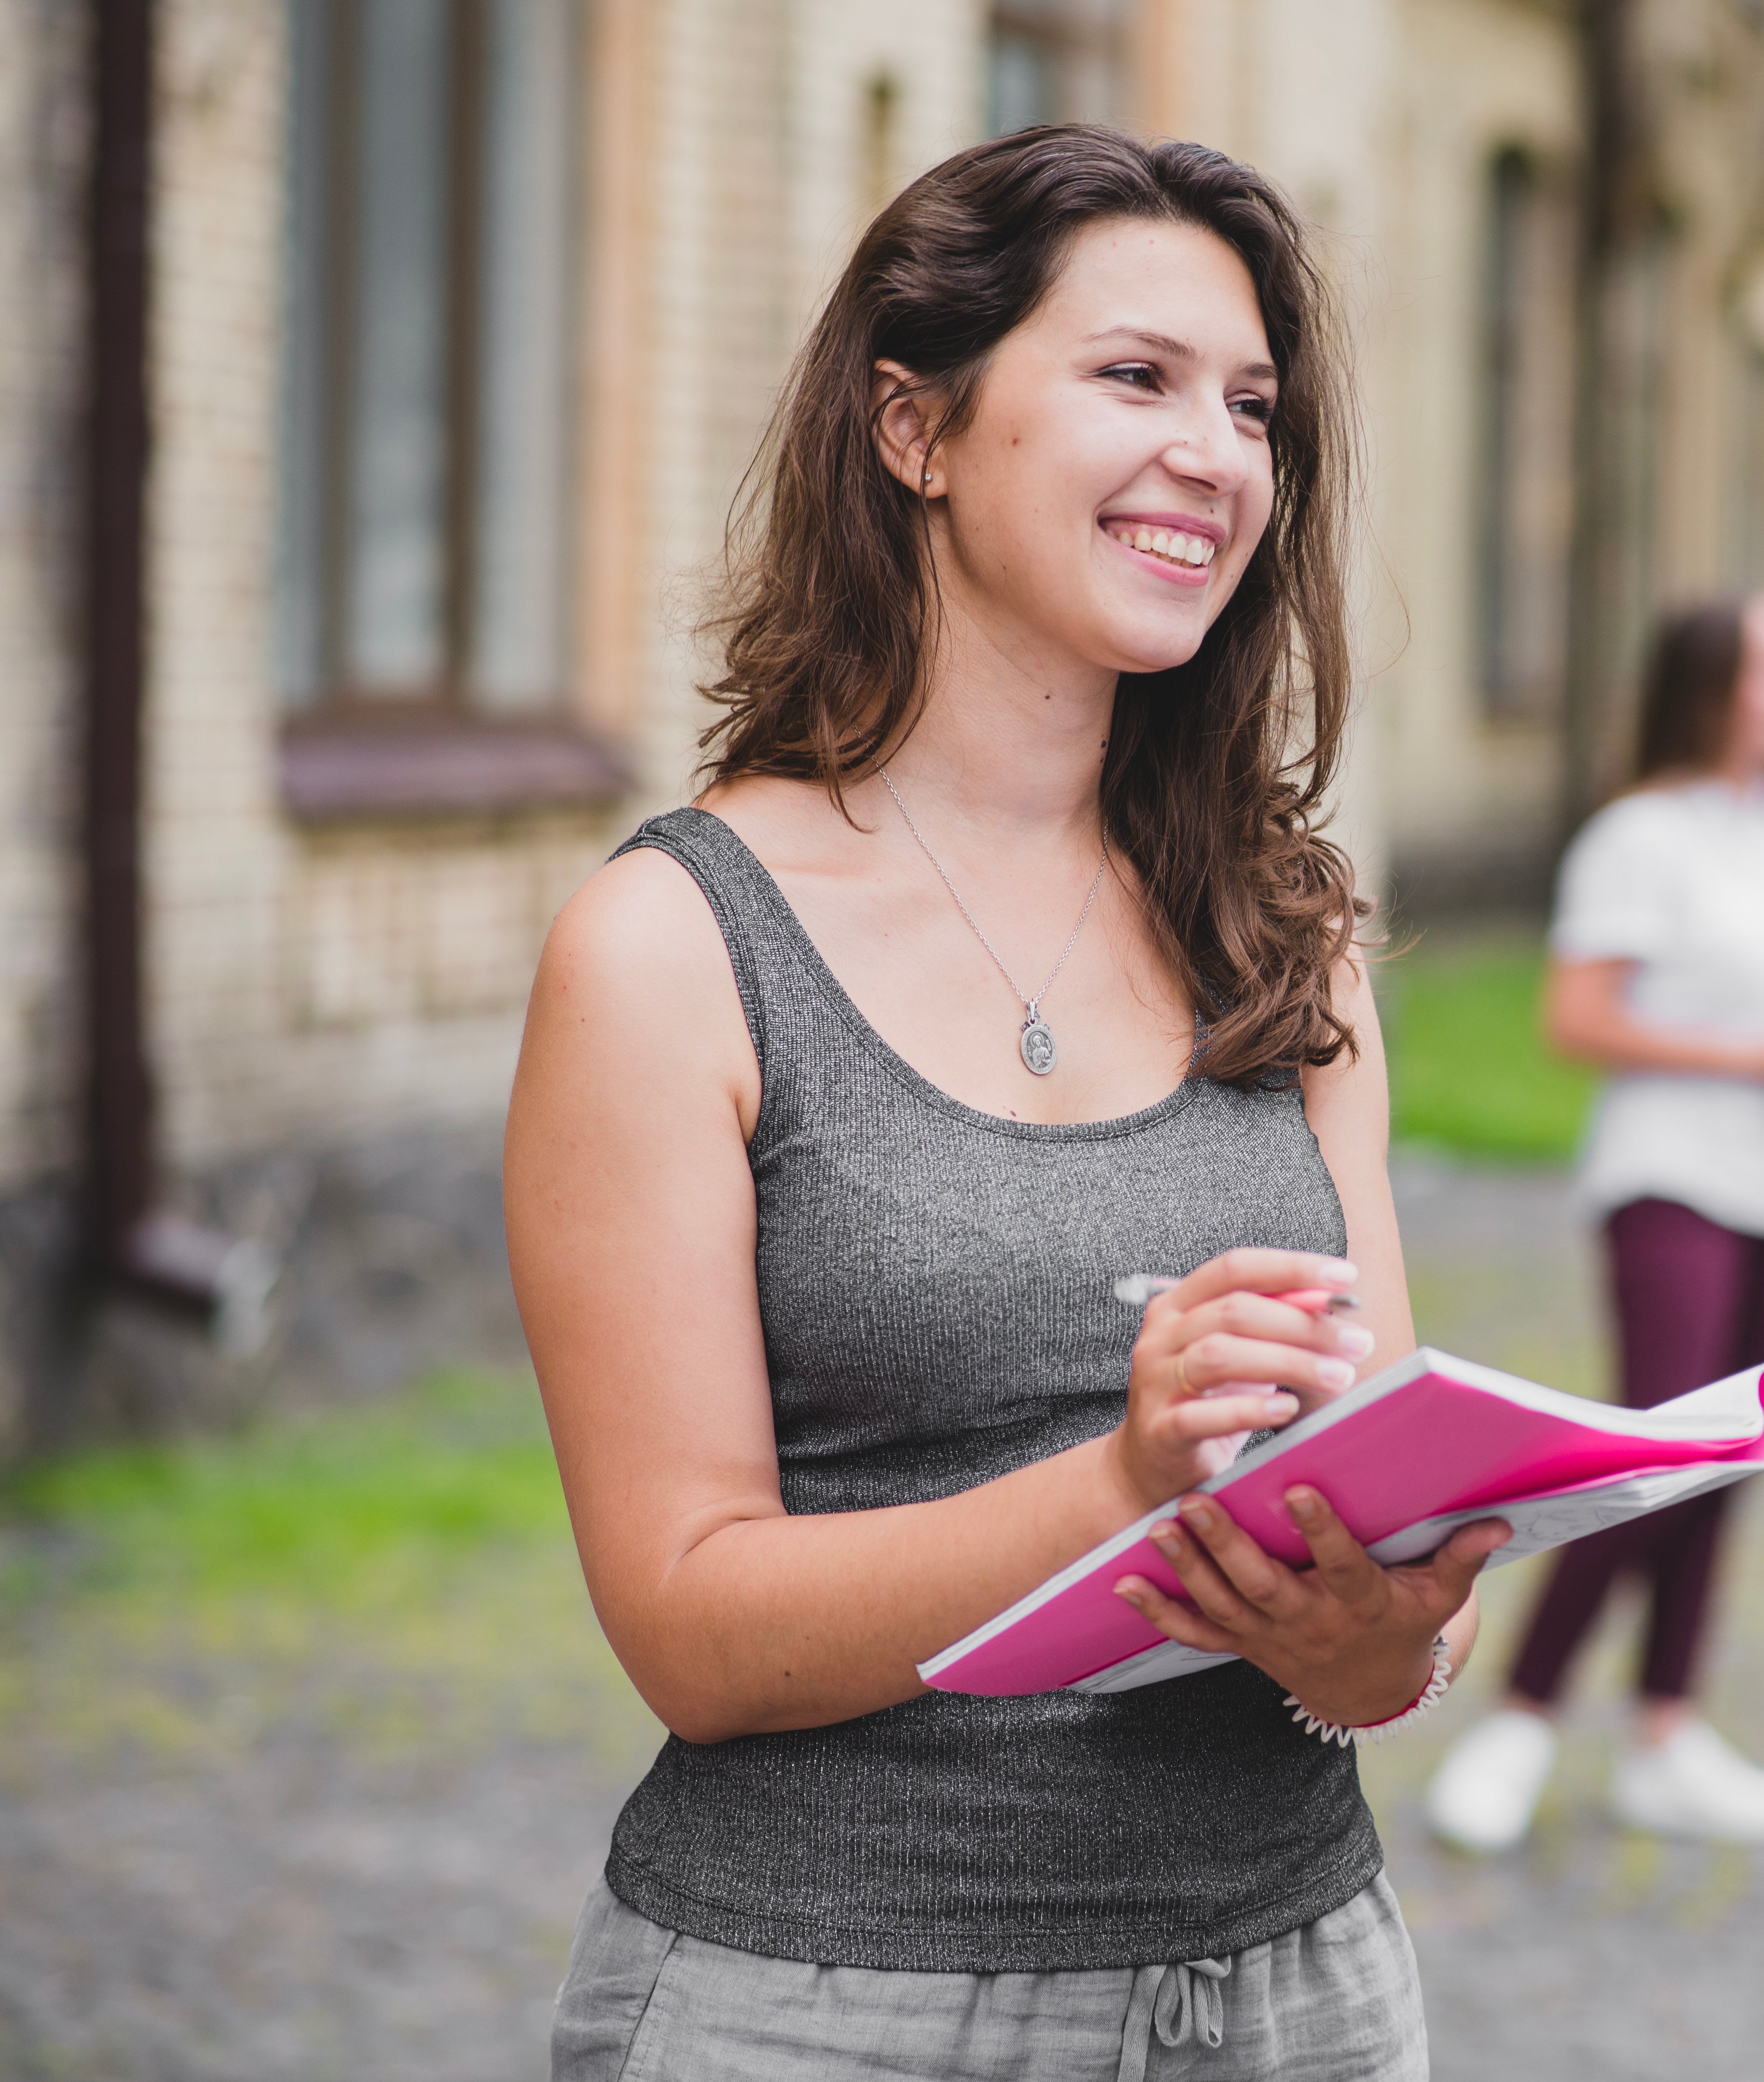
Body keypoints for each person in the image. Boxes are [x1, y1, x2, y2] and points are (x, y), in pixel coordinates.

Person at [506, 126, 1508, 2080]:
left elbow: (1390, 1586)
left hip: (1301, 1992)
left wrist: (1387, 1635)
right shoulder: (668, 950)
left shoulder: (1286, 942)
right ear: (917, 429)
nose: (1216, 454)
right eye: (1134, 378)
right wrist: (1127, 1486)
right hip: (831, 2004)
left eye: (1251, 407)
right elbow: (689, 1627)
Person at [1422, 596, 1764, 1855]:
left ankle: (1668, 1729)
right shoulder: (1637, 837)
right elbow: (1577, 1019)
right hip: (1674, 1173)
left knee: (1737, 1457)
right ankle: (1518, 1718)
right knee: (1655, 1453)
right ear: (1713, 682)